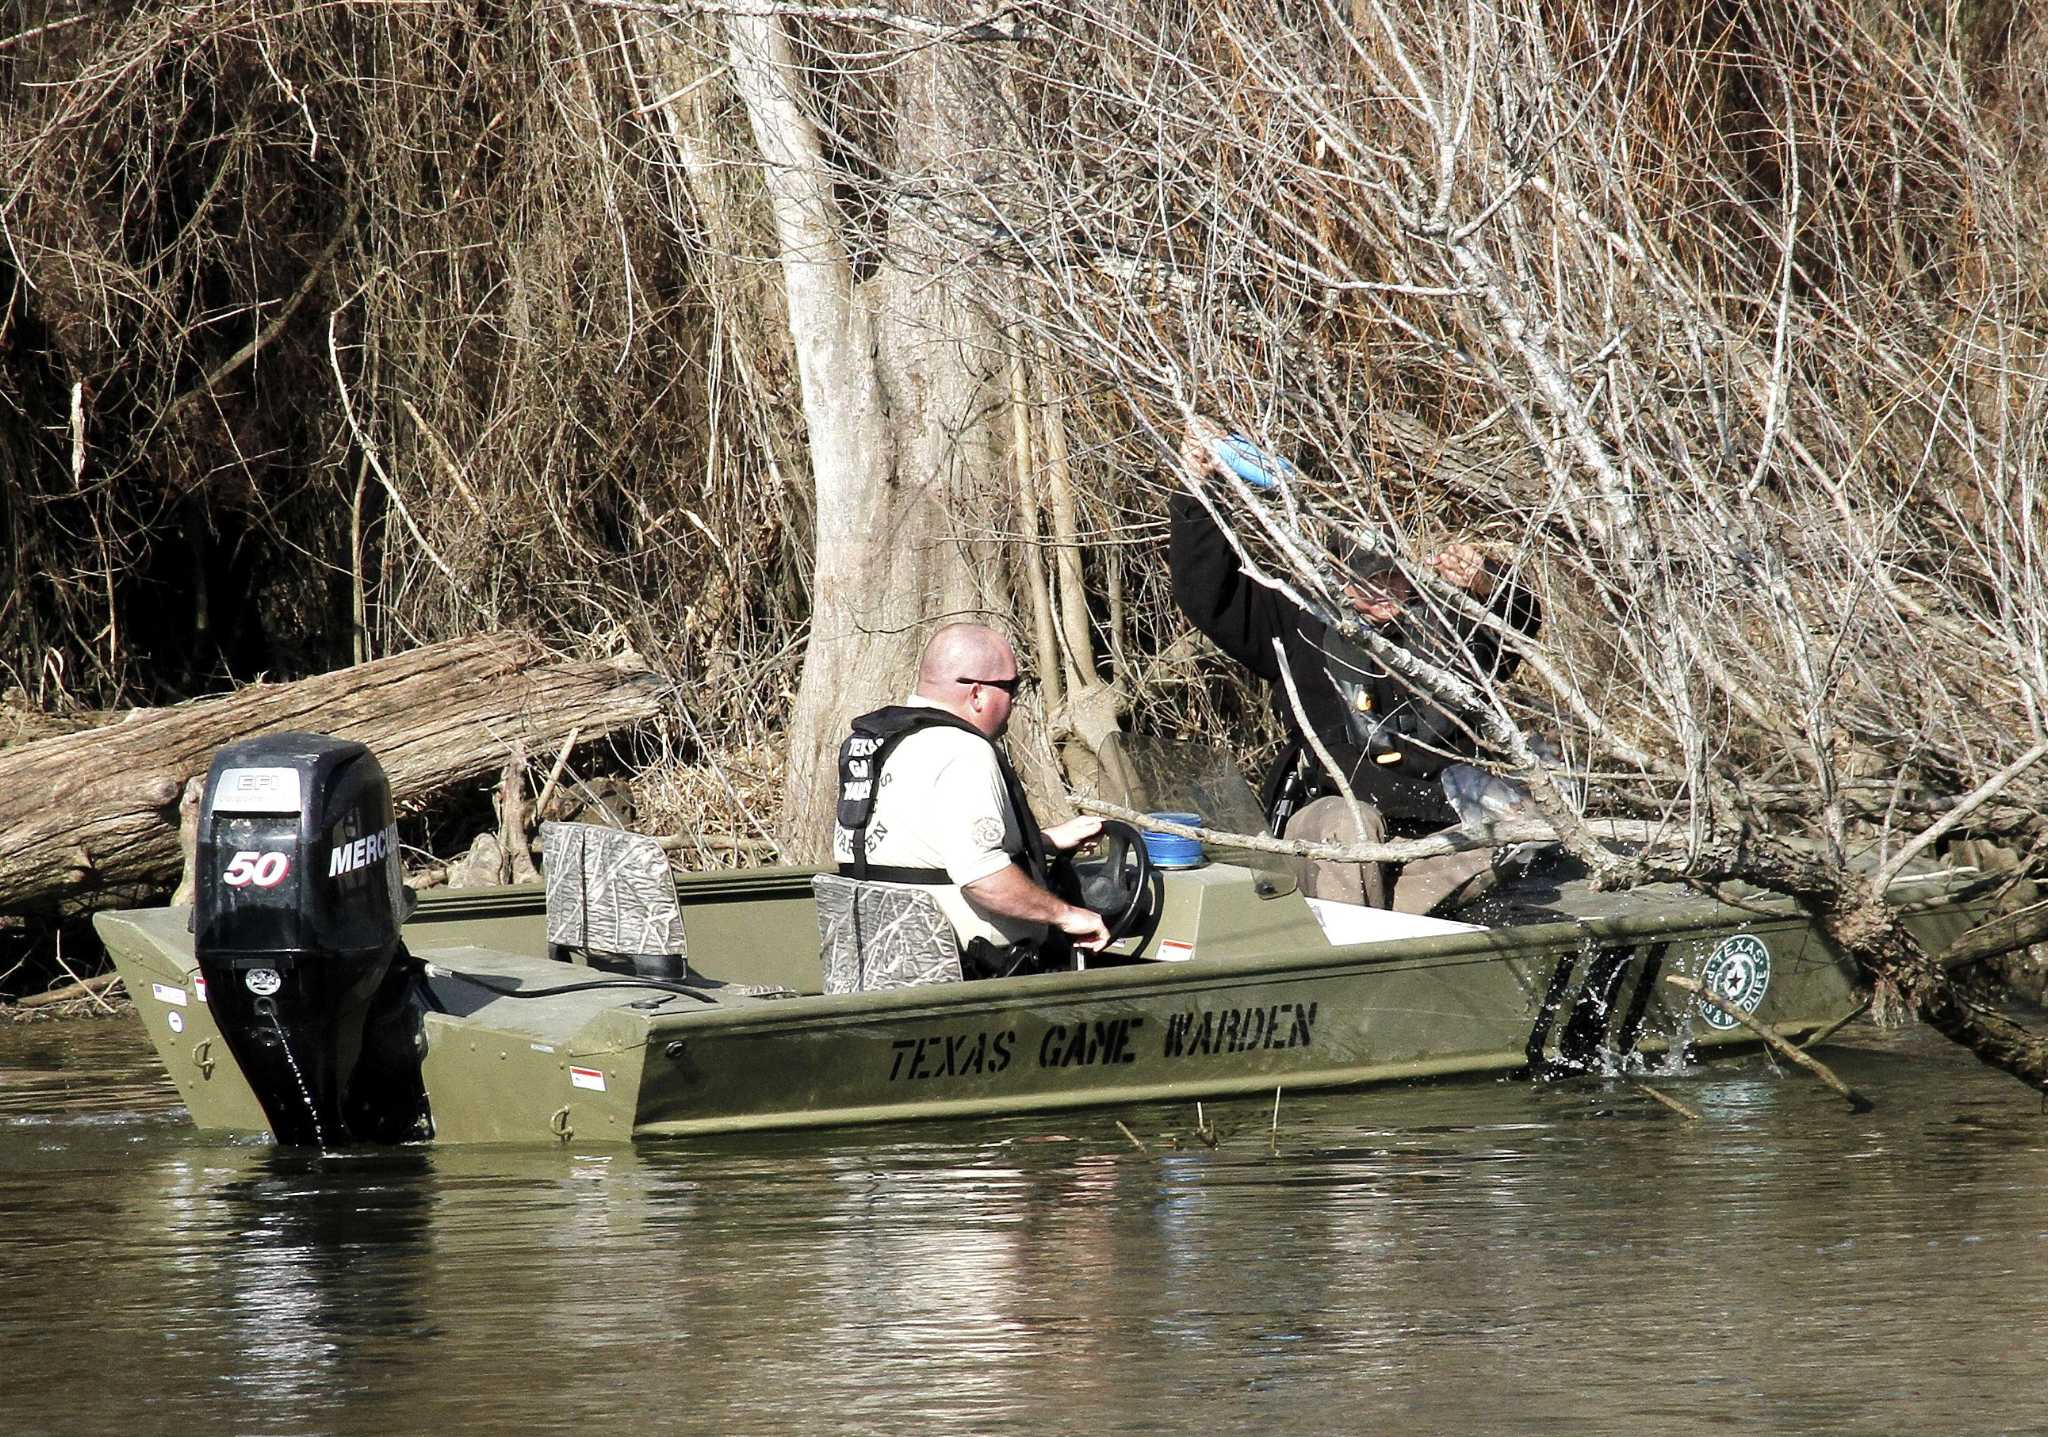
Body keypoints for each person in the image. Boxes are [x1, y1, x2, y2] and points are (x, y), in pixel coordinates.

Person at [1169, 419, 1542, 913]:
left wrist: (1487, 581)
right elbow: (1205, 594)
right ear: (1334, 578)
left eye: (1391, 578)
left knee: (1525, 827)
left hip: (1435, 832)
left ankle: (1404, 938)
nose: (1378, 592)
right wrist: (1199, 491)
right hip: (1332, 821)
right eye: (1362, 580)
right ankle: (1348, 952)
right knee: (1354, 823)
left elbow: (1518, 623)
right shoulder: (1296, 623)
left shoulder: (1449, 631)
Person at [832, 623, 1111, 977]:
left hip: (880, 963)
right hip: (970, 978)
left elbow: (921, 848)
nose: (1014, 702)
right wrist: (1068, 915)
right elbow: (983, 880)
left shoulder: (878, 743)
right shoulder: (964, 751)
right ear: (977, 694)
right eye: (1012, 688)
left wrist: (1045, 842)